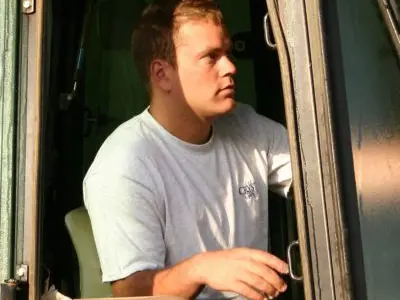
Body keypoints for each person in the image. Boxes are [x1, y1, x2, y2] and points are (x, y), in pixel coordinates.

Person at [83, 0, 293, 299]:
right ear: (162, 74)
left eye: (228, 53)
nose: (231, 67)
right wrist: (201, 268)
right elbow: (133, 293)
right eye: (211, 57)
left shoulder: (245, 126)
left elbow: (319, 175)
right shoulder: (124, 165)